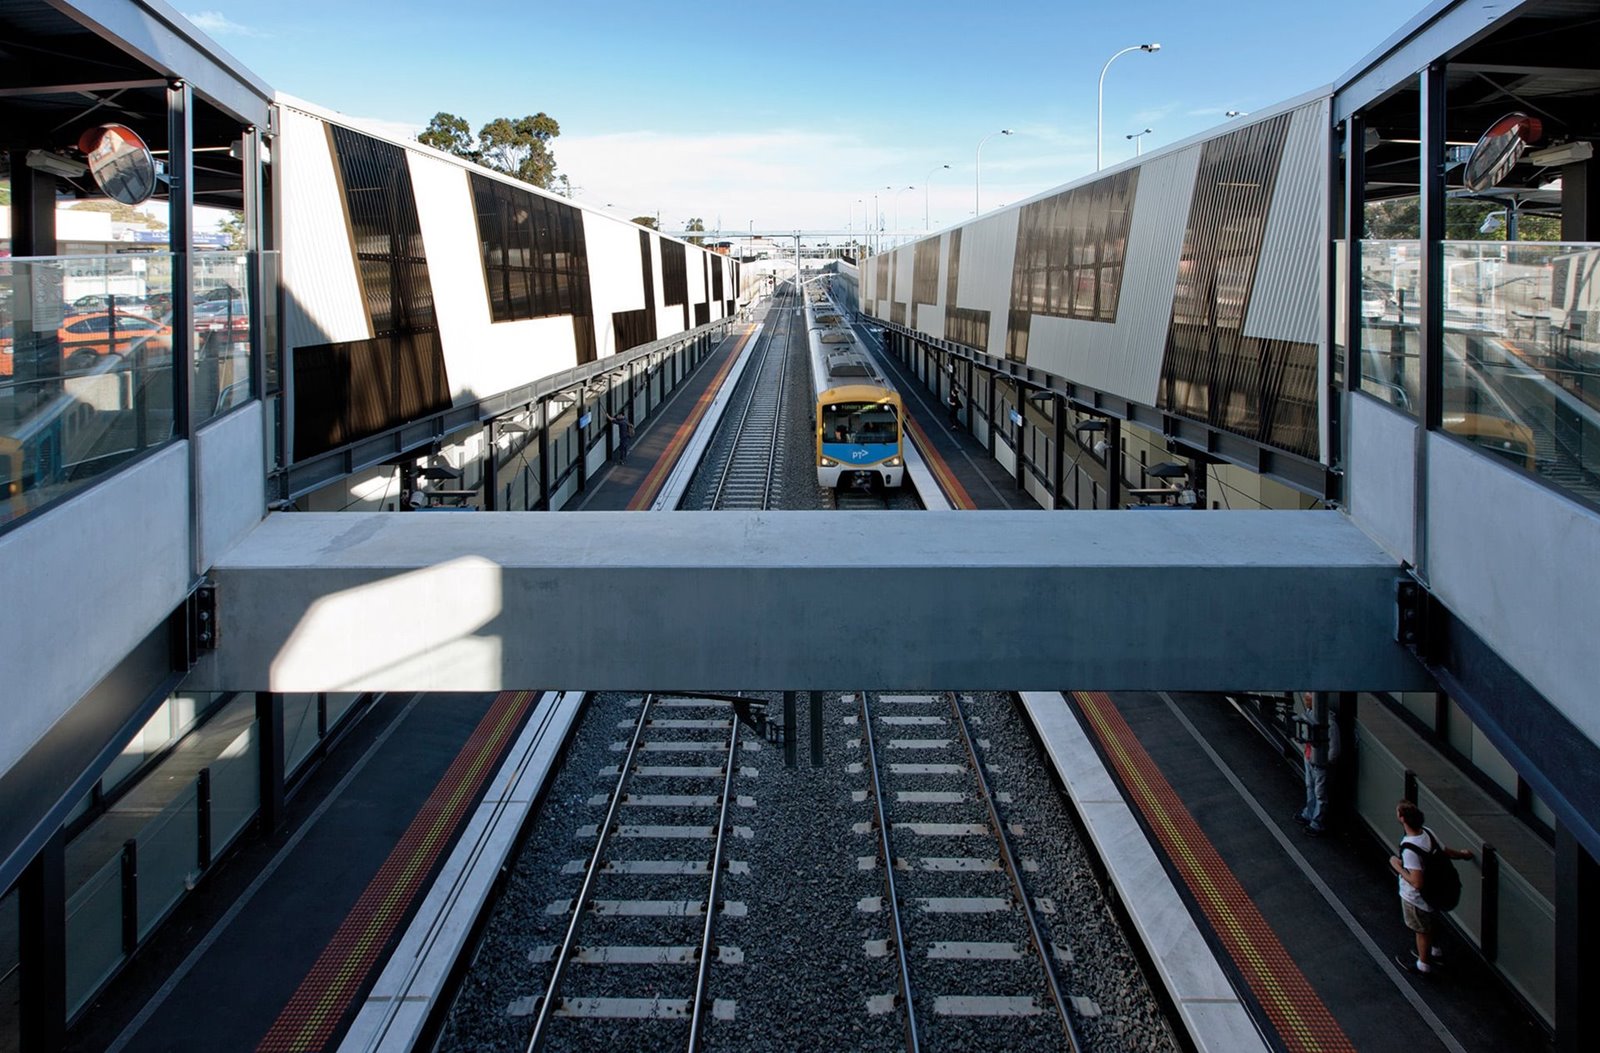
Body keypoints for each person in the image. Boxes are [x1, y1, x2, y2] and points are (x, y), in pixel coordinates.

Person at [1390, 799, 1473, 976]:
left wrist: (1397, 866)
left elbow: (1416, 881)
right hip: (1434, 892)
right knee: (1430, 923)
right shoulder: (1428, 833)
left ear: (1402, 819)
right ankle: (1433, 950)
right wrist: (1463, 855)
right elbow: (1446, 851)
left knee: (1421, 930)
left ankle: (1423, 964)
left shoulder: (1409, 849)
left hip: (1416, 898)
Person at [1293, 692, 1340, 836]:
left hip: (1318, 762)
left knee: (1319, 792)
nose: (1306, 700)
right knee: (1311, 787)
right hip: (1311, 758)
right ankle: (1309, 813)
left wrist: (1325, 762)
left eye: (1308, 699)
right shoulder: (1312, 715)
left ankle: (1317, 822)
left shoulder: (1329, 723)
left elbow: (1335, 749)